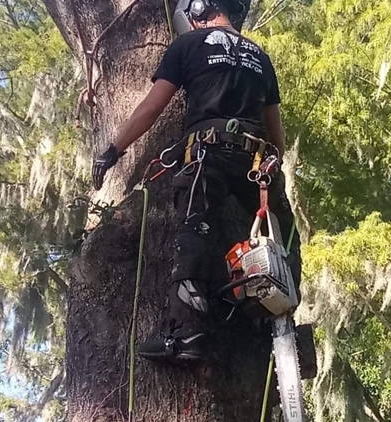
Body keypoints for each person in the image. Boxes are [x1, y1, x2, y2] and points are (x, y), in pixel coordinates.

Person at [92, 0, 302, 363]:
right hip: (257, 159)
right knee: (284, 238)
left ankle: (187, 334)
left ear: (199, 11)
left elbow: (153, 106)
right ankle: (281, 319)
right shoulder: (260, 56)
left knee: (195, 231)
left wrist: (113, 150)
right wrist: (274, 164)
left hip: (208, 153)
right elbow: (275, 129)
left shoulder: (187, 45)